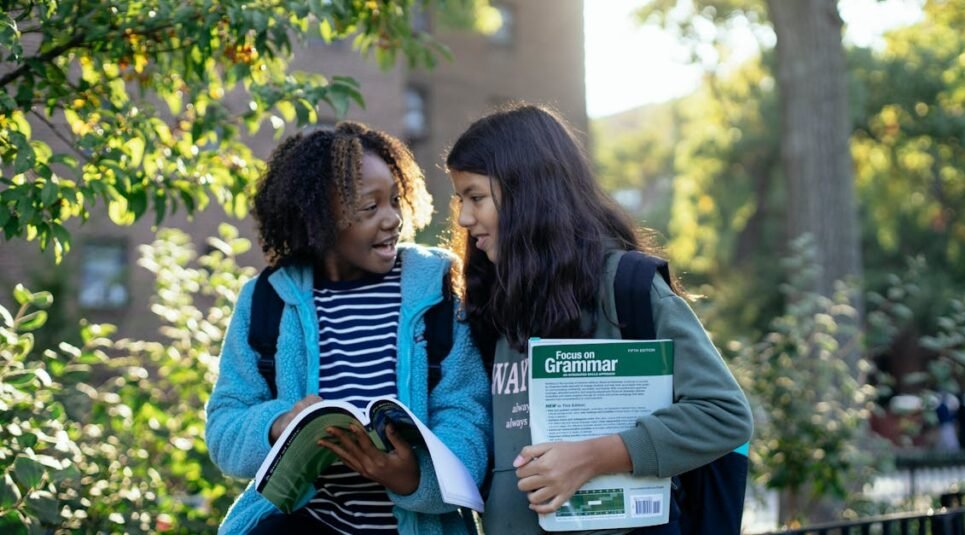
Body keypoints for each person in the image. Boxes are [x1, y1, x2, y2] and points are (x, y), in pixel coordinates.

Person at [446, 103, 753, 534]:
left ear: (527, 192)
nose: (463, 218)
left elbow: (724, 414)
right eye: (460, 199)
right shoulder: (490, 302)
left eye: (476, 197)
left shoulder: (625, 287)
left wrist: (593, 457)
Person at [206, 122, 490, 534]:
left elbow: (468, 417)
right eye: (370, 207)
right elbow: (224, 430)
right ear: (318, 218)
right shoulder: (266, 300)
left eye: (395, 199)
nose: (393, 219)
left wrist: (413, 478)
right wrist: (279, 425)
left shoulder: (438, 289)